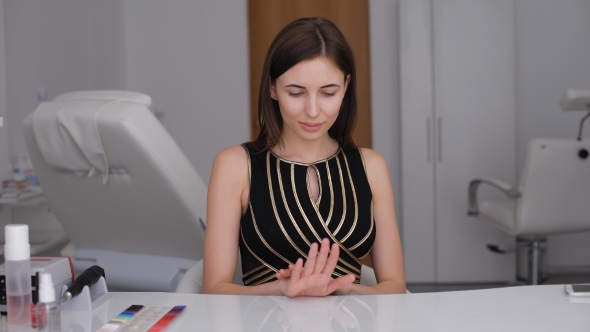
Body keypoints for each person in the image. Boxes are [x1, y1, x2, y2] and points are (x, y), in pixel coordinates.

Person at [203, 17, 405, 297]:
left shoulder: (371, 167)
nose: (312, 110)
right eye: (296, 93)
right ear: (272, 88)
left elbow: (395, 288)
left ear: (345, 87)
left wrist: (338, 290)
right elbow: (214, 290)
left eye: (328, 93)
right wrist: (283, 288)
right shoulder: (235, 165)